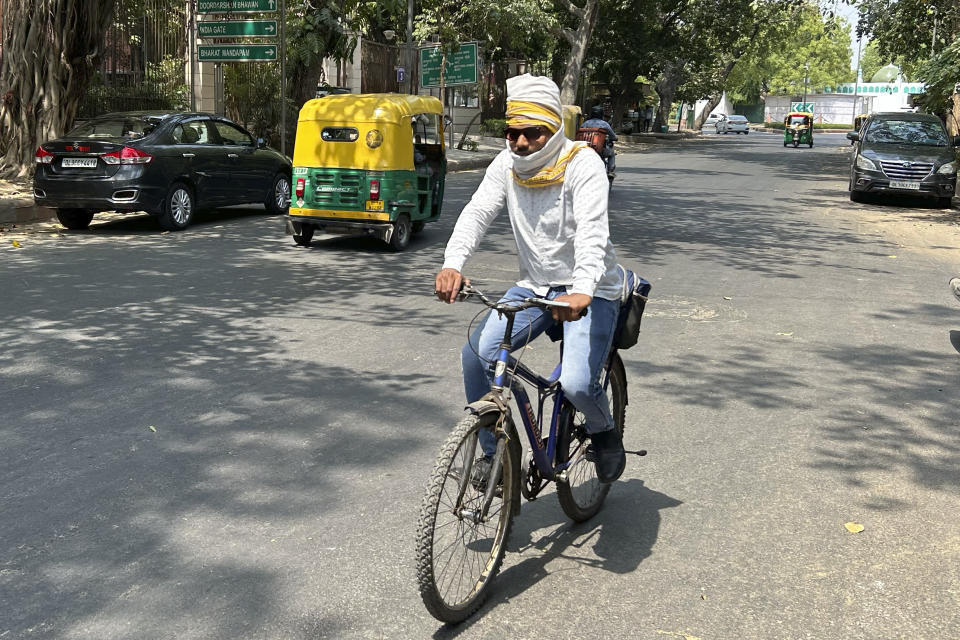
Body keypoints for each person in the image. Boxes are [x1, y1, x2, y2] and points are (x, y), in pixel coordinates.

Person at [434, 74, 626, 484]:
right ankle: (492, 456)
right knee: (477, 354)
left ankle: (604, 432)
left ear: (555, 128)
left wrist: (583, 290)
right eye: (512, 133)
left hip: (588, 288)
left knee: (576, 383)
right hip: (536, 286)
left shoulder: (582, 163)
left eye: (532, 133)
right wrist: (453, 263)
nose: (520, 143)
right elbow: (477, 213)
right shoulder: (506, 163)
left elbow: (593, 232)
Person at [580, 105, 617, 176]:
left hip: (586, 149)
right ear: (601, 114)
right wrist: (615, 138)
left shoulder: (585, 123)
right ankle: (610, 171)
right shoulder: (604, 124)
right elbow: (613, 136)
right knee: (611, 153)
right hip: (600, 150)